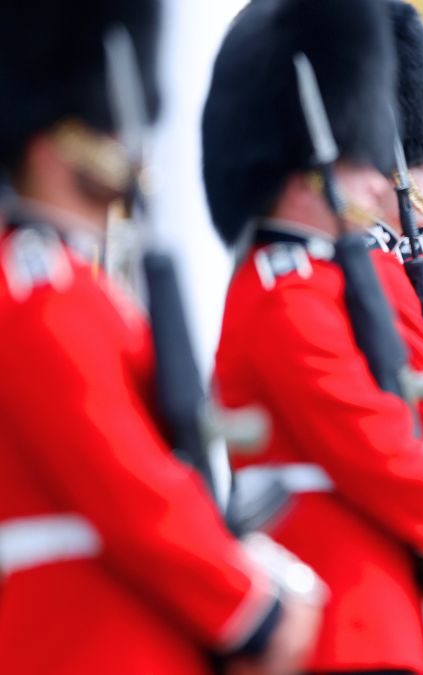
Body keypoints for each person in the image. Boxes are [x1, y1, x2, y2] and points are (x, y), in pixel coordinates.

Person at [0, 1, 321, 673]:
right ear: (51, 143)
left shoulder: (69, 285)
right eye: (103, 127)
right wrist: (247, 604)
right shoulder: (39, 291)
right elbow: (122, 476)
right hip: (81, 638)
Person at [203, 0, 423, 672]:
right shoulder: (286, 288)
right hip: (344, 614)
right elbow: (361, 429)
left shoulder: (324, 277)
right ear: (307, 167)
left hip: (379, 599)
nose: (376, 177)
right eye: (356, 156)